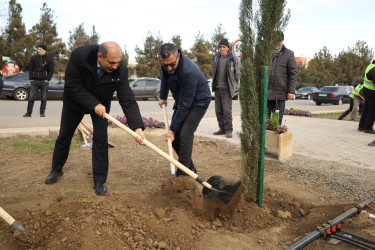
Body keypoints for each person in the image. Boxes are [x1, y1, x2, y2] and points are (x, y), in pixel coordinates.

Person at [45, 41, 146, 195]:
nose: (115, 67)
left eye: (118, 62)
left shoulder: (120, 69)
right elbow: (72, 86)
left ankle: (99, 181)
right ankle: (56, 170)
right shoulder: (80, 56)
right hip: (75, 102)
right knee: (64, 136)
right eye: (111, 62)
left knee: (101, 140)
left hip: (101, 106)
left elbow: (127, 97)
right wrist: (93, 103)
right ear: (100, 56)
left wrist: (137, 127)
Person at [157, 43, 211, 177]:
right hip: (183, 100)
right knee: (173, 139)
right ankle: (189, 168)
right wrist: (163, 96)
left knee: (185, 134)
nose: (168, 68)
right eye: (165, 65)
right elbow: (165, 77)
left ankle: (183, 175)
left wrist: (172, 129)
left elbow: (186, 105)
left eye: (171, 64)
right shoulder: (166, 65)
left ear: (178, 56)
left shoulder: (188, 71)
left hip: (198, 101)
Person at [211, 39, 241, 138]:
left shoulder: (234, 59)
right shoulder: (215, 57)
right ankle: (222, 129)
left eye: (224, 47)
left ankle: (229, 129)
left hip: (227, 89)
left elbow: (237, 74)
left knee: (227, 111)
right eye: (220, 47)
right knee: (218, 111)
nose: (222, 49)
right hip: (217, 88)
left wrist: (234, 83)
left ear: (228, 48)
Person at [267, 31, 297, 125]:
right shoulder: (266, 53)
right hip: (266, 94)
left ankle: (275, 139)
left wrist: (291, 91)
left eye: (279, 40)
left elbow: (293, 73)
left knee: (276, 123)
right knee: (265, 121)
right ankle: (266, 140)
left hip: (280, 94)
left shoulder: (289, 54)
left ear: (282, 41)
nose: (277, 43)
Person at [23, 44, 54, 117]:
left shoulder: (49, 59)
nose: (38, 50)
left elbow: (51, 70)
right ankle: (28, 113)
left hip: (44, 82)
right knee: (31, 98)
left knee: (44, 98)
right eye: (38, 49)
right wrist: (31, 78)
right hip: (34, 81)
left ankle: (42, 113)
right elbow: (30, 68)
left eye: (40, 49)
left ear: (44, 50)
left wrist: (47, 79)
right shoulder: (34, 58)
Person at [358, 58, 375, 135]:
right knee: (372, 110)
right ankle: (368, 128)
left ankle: (361, 126)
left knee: (366, 108)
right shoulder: (374, 70)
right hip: (371, 91)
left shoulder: (370, 66)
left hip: (366, 90)